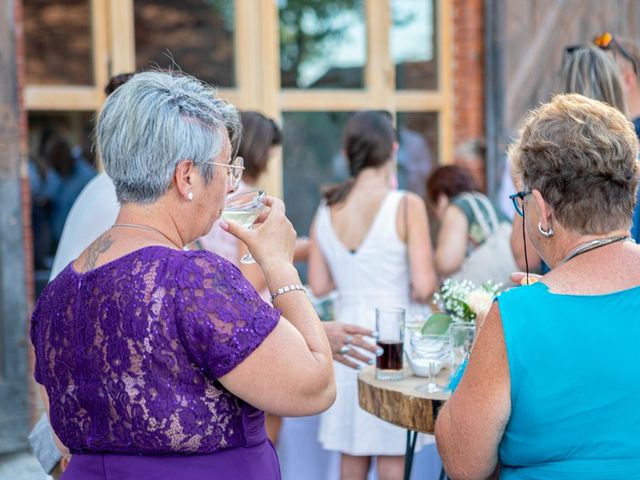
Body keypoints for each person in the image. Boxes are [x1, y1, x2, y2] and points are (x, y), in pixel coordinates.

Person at [30, 70, 336, 479]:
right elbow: (315, 387)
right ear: (187, 176)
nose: (231, 184)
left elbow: (65, 432)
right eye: (227, 167)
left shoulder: (59, 294)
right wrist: (279, 264)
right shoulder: (192, 279)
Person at [435, 93, 640, 479]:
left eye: (522, 200)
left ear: (544, 210)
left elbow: (464, 464)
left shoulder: (517, 316)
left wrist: (482, 341)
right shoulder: (527, 311)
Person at [309, 110, 437, 479]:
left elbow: (318, 285)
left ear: (348, 152)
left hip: (347, 342)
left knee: (354, 451)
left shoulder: (327, 206)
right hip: (391, 341)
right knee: (392, 454)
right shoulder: (406, 204)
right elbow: (425, 284)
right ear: (393, 149)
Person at [511, 44, 631, 272]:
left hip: (565, 292)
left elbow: (522, 254)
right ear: (616, 89)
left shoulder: (542, 160)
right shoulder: (630, 163)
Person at [425, 164, 513, 283]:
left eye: (433, 207)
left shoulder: (459, 206)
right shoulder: (485, 203)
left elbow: (447, 262)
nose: (436, 214)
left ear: (441, 198)